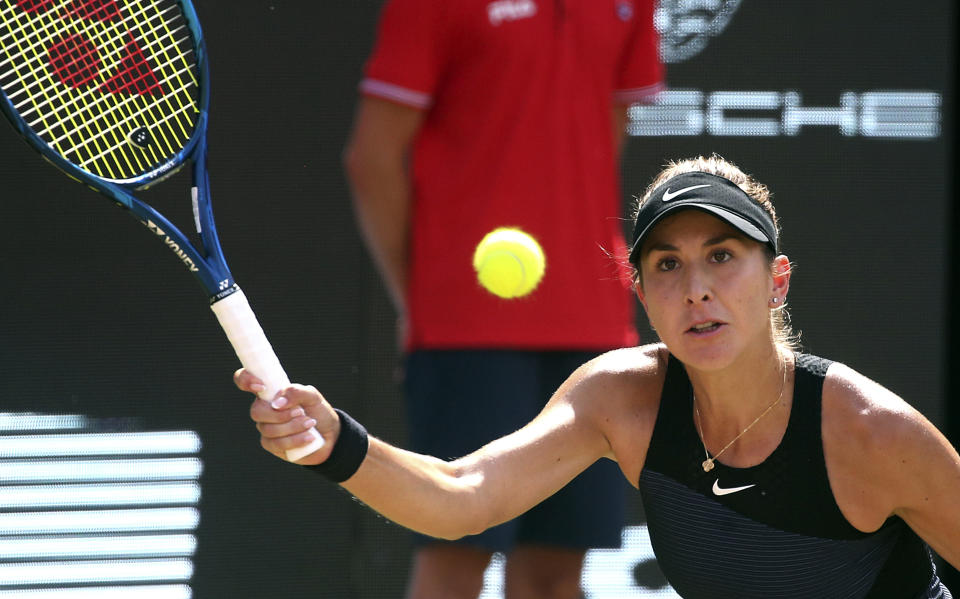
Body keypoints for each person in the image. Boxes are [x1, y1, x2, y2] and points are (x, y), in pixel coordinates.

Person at [240, 155, 960, 598]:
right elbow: (464, 497)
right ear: (641, 295)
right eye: (667, 265)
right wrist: (333, 443)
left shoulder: (872, 433)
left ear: (776, 281)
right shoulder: (620, 399)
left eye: (721, 255)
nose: (696, 289)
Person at [340, 0, 664, 597]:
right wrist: (423, 294)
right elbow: (372, 157)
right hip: (467, 328)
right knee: (455, 561)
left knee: (554, 574)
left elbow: (604, 126)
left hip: (591, 322)